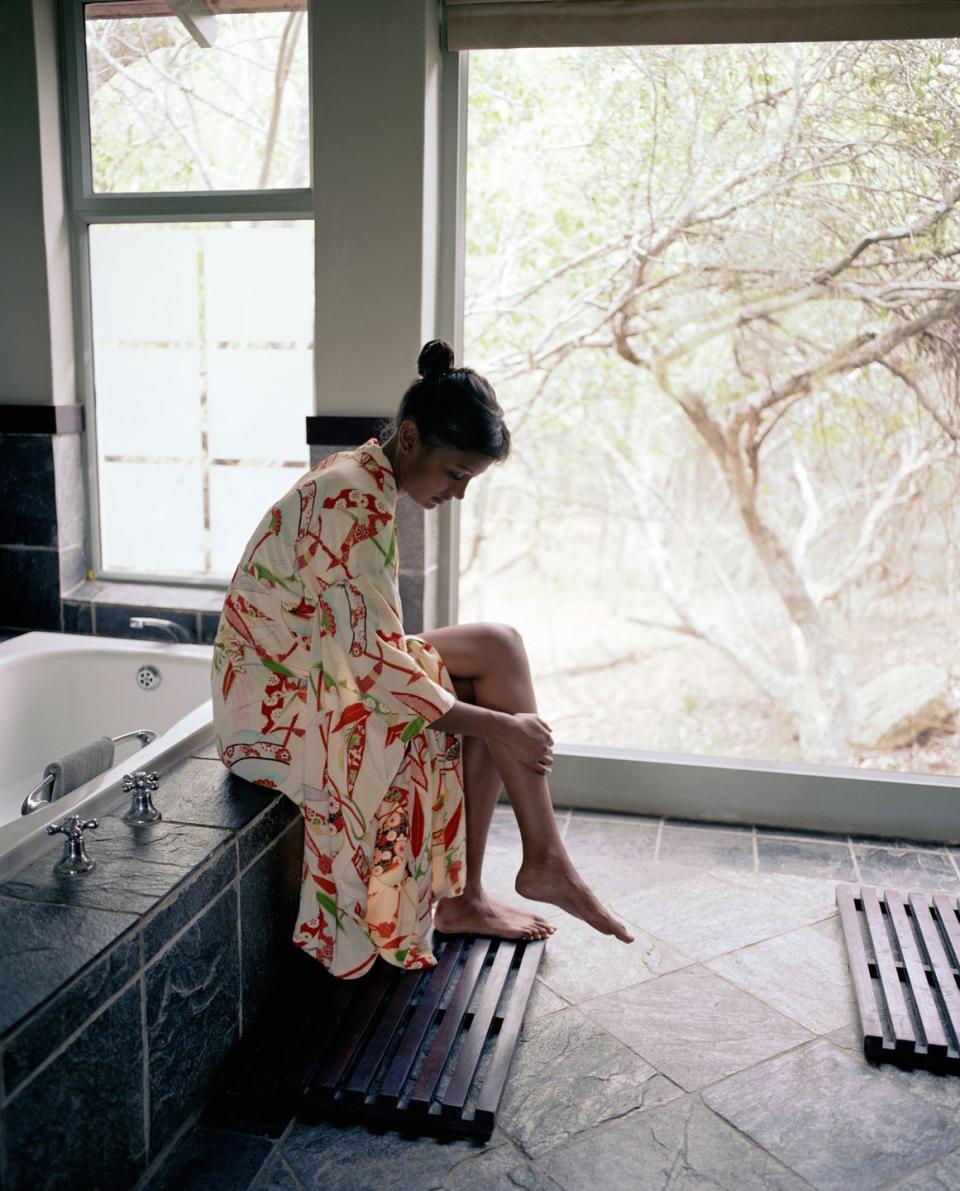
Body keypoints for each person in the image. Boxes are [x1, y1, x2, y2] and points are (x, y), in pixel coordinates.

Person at [211, 339, 633, 980]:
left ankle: (514, 874)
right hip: (275, 716)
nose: (458, 495)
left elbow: (362, 651)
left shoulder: (363, 475)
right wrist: (501, 726)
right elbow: (371, 671)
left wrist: (493, 721)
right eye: (456, 474)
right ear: (410, 438)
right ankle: (517, 875)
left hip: (313, 667)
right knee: (488, 702)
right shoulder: (350, 499)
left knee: (498, 647)